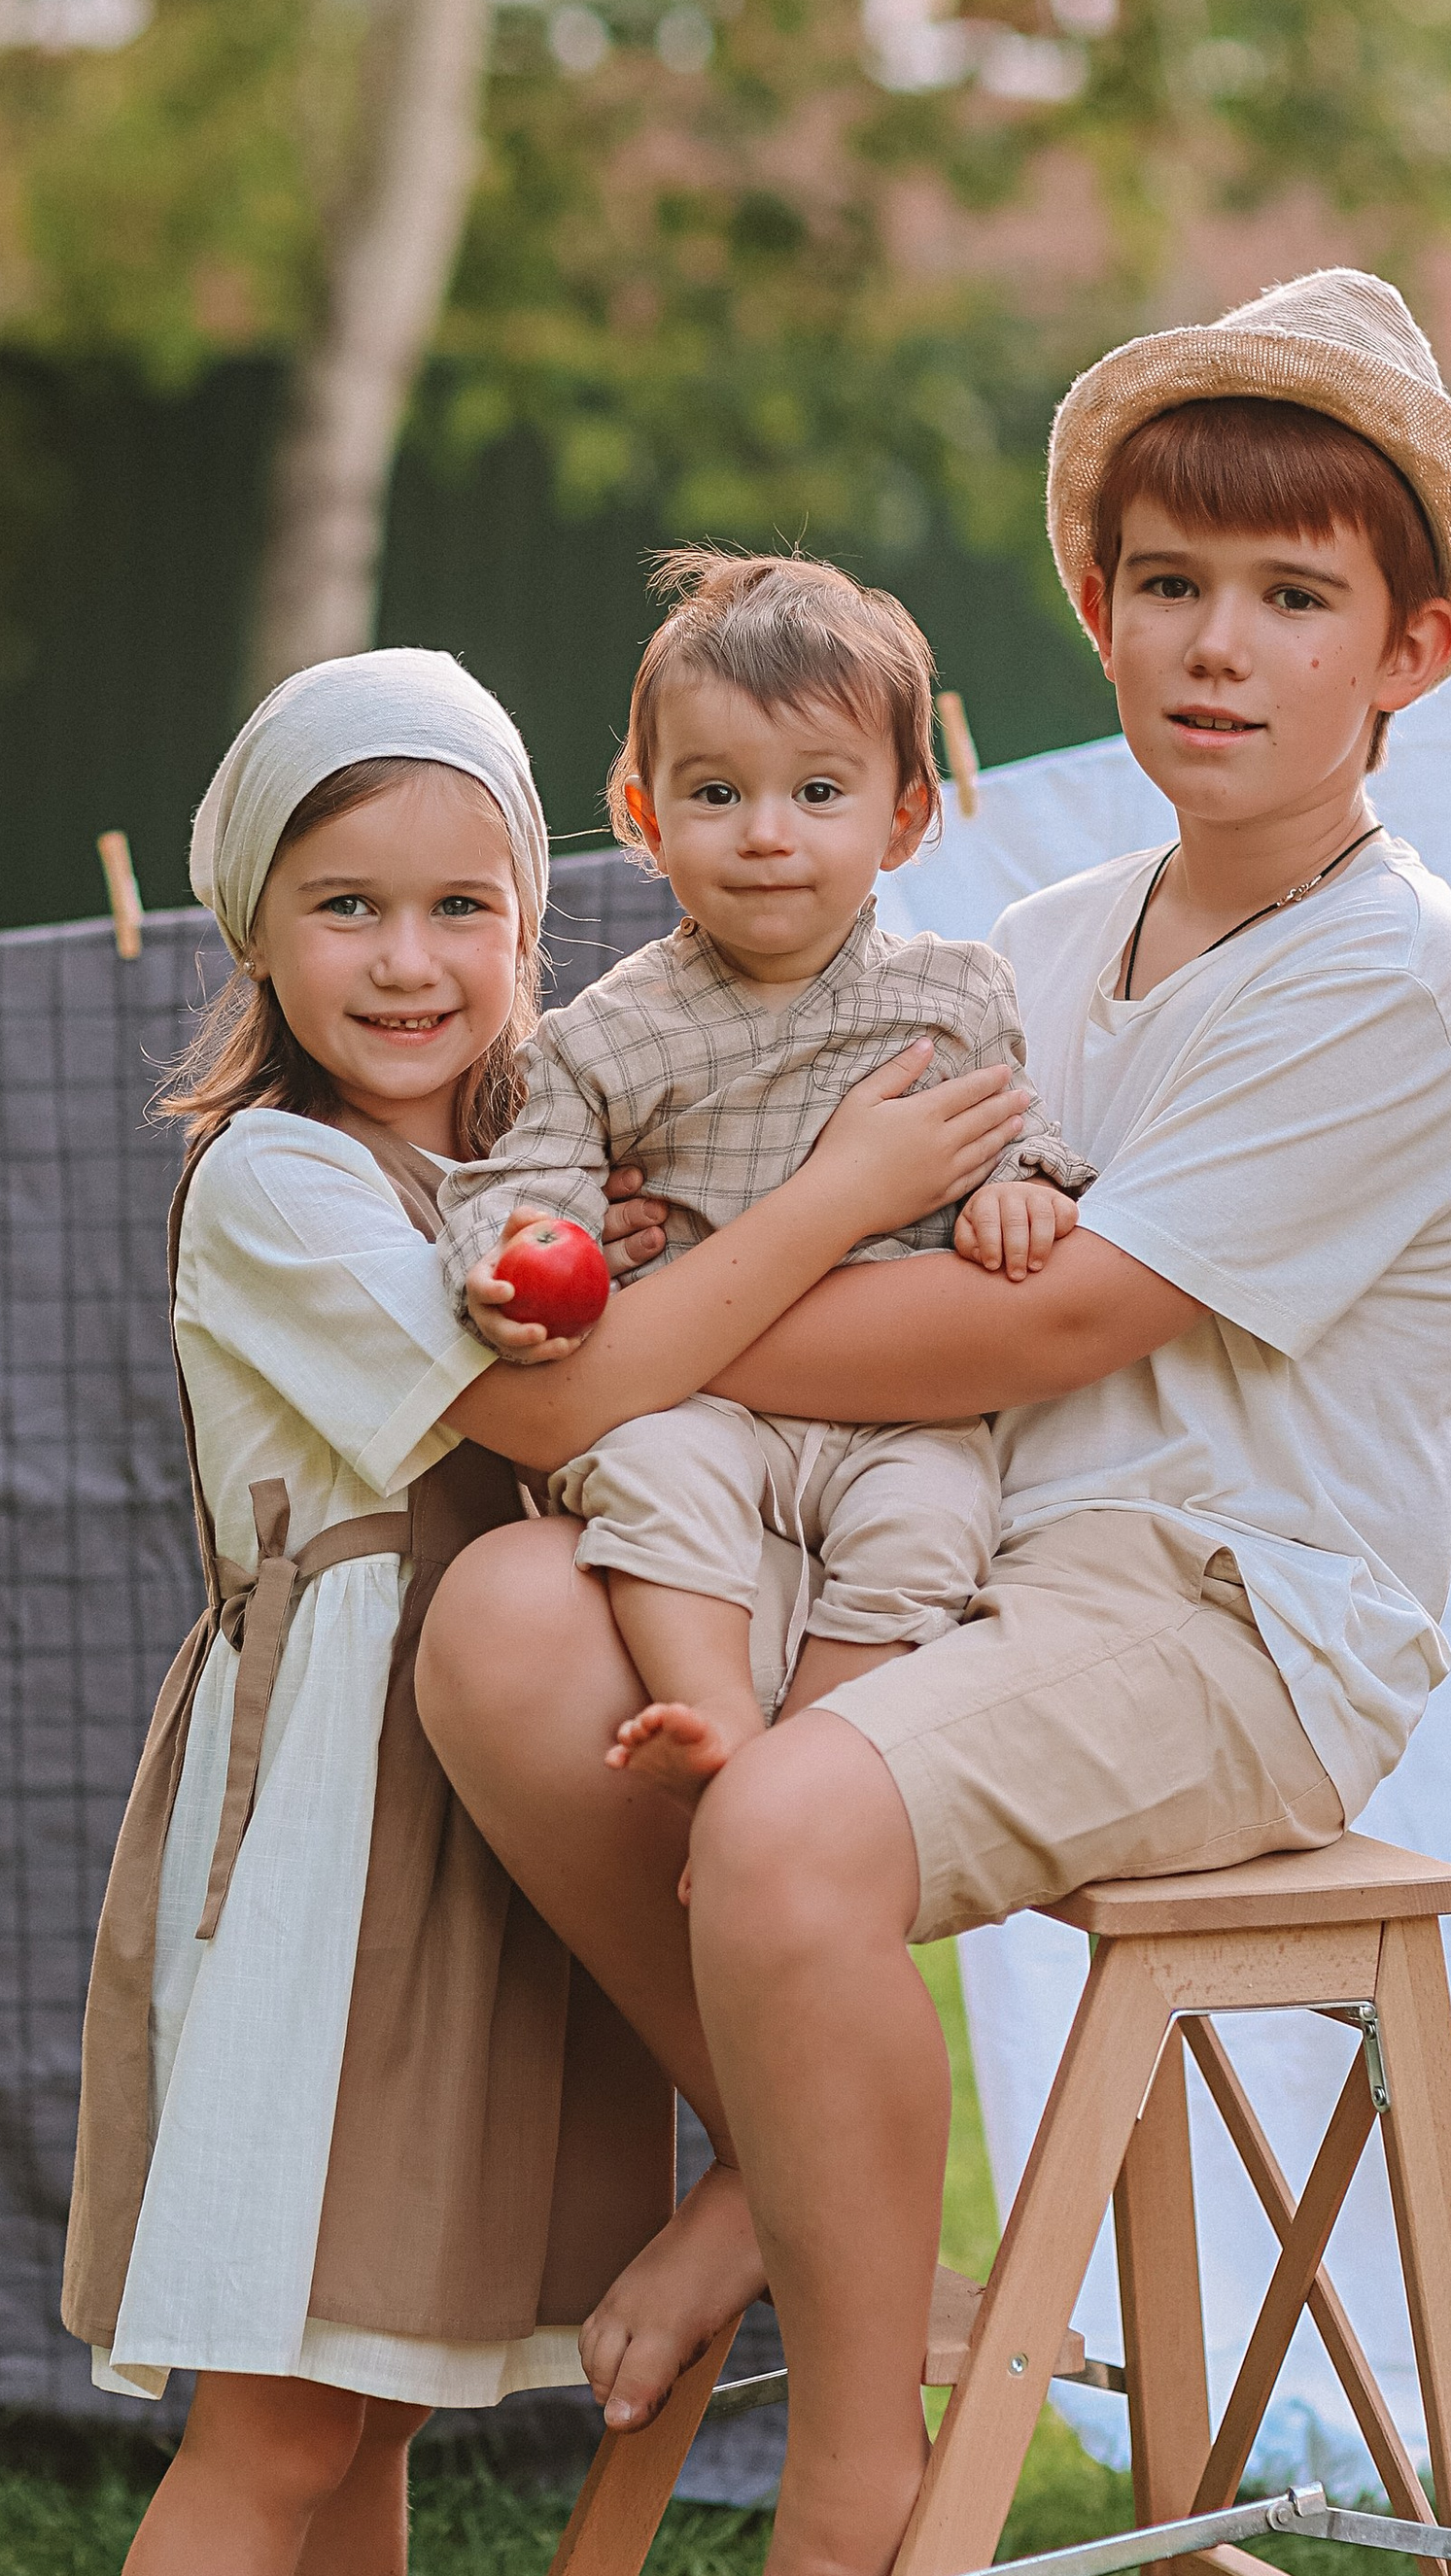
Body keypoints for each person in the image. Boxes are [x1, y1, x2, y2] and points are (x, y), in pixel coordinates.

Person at [415, 267, 1451, 2576]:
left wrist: (682, 1317)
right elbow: (770, 1234)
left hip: (1235, 1615)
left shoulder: (1389, 978)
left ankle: (847, 2503)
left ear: (1415, 648)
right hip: (958, 1566)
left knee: (789, 1809)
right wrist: (671, 1295)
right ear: (1098, 609)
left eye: (1291, 597)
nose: (1212, 648)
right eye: (1165, 585)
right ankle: (811, 2235)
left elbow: (1025, 1337)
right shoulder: (1021, 953)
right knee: (495, 1621)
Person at [58, 646, 1026, 2576]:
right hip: (322, 1850)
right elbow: (569, 1398)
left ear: (530, 910)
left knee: (362, 2396)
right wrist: (832, 1196)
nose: (407, 960)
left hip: (455, 1827)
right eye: (344, 905)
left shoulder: (524, 1168)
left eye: (461, 905)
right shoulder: (279, 1180)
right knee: (268, 2411)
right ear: (251, 936)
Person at [437, 551, 1091, 1799]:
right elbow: (531, 1185)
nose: (768, 833)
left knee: (936, 1521)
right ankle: (717, 1715)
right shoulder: (605, 1035)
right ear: (645, 818)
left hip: (894, 1407)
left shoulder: (952, 998)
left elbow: (1015, 1134)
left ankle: (810, 1776)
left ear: (903, 818)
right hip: (694, 1401)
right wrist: (512, 1271)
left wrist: (1023, 1189)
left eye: (820, 790)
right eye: (719, 792)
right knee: (652, 1480)